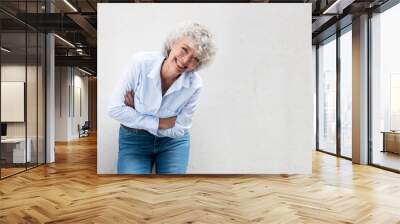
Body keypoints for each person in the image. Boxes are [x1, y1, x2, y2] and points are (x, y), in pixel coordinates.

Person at [108, 22, 216, 174]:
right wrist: (161, 123)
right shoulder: (140, 63)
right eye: (184, 49)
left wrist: (136, 117)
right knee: (131, 189)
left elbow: (179, 130)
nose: (185, 61)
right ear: (173, 43)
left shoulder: (195, 85)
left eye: (195, 59)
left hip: (172, 143)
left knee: (173, 191)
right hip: (134, 139)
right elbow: (114, 109)